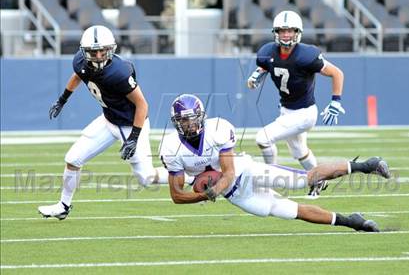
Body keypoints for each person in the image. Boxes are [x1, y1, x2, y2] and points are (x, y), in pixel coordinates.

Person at [160, 94, 391, 232]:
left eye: (191, 120)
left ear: (201, 117)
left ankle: (367, 165)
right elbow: (177, 195)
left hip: (246, 172)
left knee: (305, 180)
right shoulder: (171, 147)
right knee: (291, 211)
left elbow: (228, 173)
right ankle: (353, 222)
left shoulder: (218, 128)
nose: (188, 126)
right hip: (238, 196)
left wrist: (212, 191)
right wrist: (202, 195)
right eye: (182, 121)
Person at [38, 25, 168, 220]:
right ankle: (63, 205)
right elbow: (78, 76)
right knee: (73, 159)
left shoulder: (119, 72)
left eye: (102, 50)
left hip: (130, 124)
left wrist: (133, 137)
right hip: (108, 120)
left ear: (111, 49)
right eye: (93, 51)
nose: (98, 55)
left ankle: (190, 176)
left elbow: (142, 105)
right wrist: (62, 100)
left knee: (146, 178)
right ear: (84, 52)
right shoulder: (81, 62)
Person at [247, 10, 345, 198]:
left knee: (262, 138)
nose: (286, 35)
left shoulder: (306, 55)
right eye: (282, 31)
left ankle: (269, 181)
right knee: (300, 151)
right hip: (286, 110)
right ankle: (319, 179)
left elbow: (337, 73)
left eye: (290, 31)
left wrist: (335, 101)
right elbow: (268, 65)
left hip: (304, 113)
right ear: (276, 32)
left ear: (297, 32)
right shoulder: (267, 52)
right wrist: (258, 74)